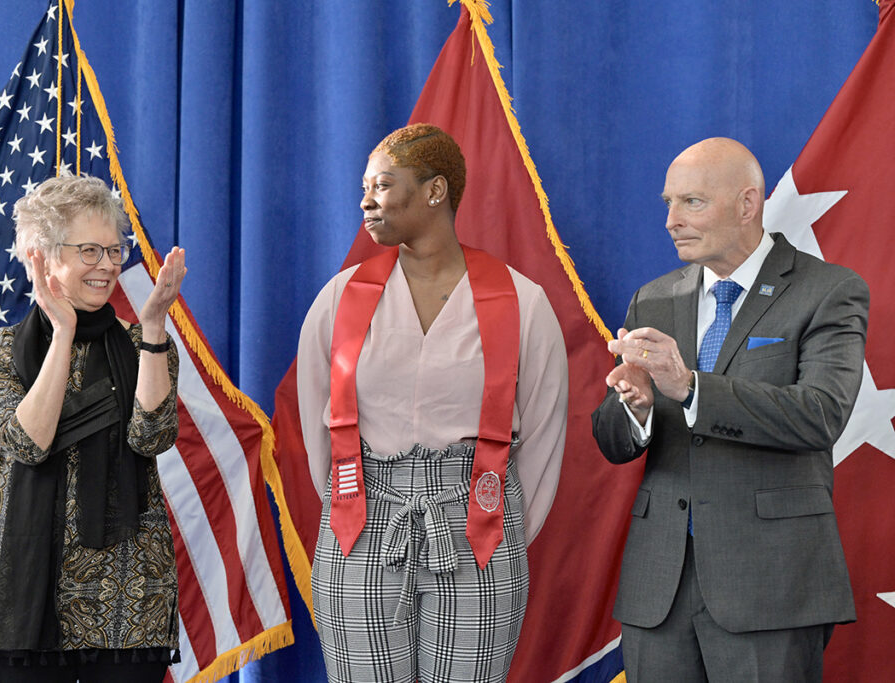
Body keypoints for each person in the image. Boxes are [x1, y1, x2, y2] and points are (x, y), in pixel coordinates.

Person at [296, 123, 569, 682]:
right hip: (360, 525)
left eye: (382, 185)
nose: (366, 201)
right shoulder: (340, 299)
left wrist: (497, 524)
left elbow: (544, 432)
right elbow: (317, 422)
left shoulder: (522, 301)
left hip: (479, 528)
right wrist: (352, 506)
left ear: (435, 191)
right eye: (364, 188)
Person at [591, 137, 868, 681]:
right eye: (668, 203)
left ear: (747, 204)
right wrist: (636, 407)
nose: (671, 220)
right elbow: (612, 441)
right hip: (660, 586)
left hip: (771, 584)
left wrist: (690, 388)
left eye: (691, 202)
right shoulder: (653, 298)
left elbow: (821, 414)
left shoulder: (828, 290)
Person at [0, 174, 187, 682]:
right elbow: (28, 442)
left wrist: (155, 327)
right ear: (43, 257)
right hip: (28, 591)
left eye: (114, 250)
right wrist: (63, 332)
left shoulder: (146, 344)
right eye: (90, 250)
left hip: (131, 590)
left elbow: (152, 437)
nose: (108, 265)